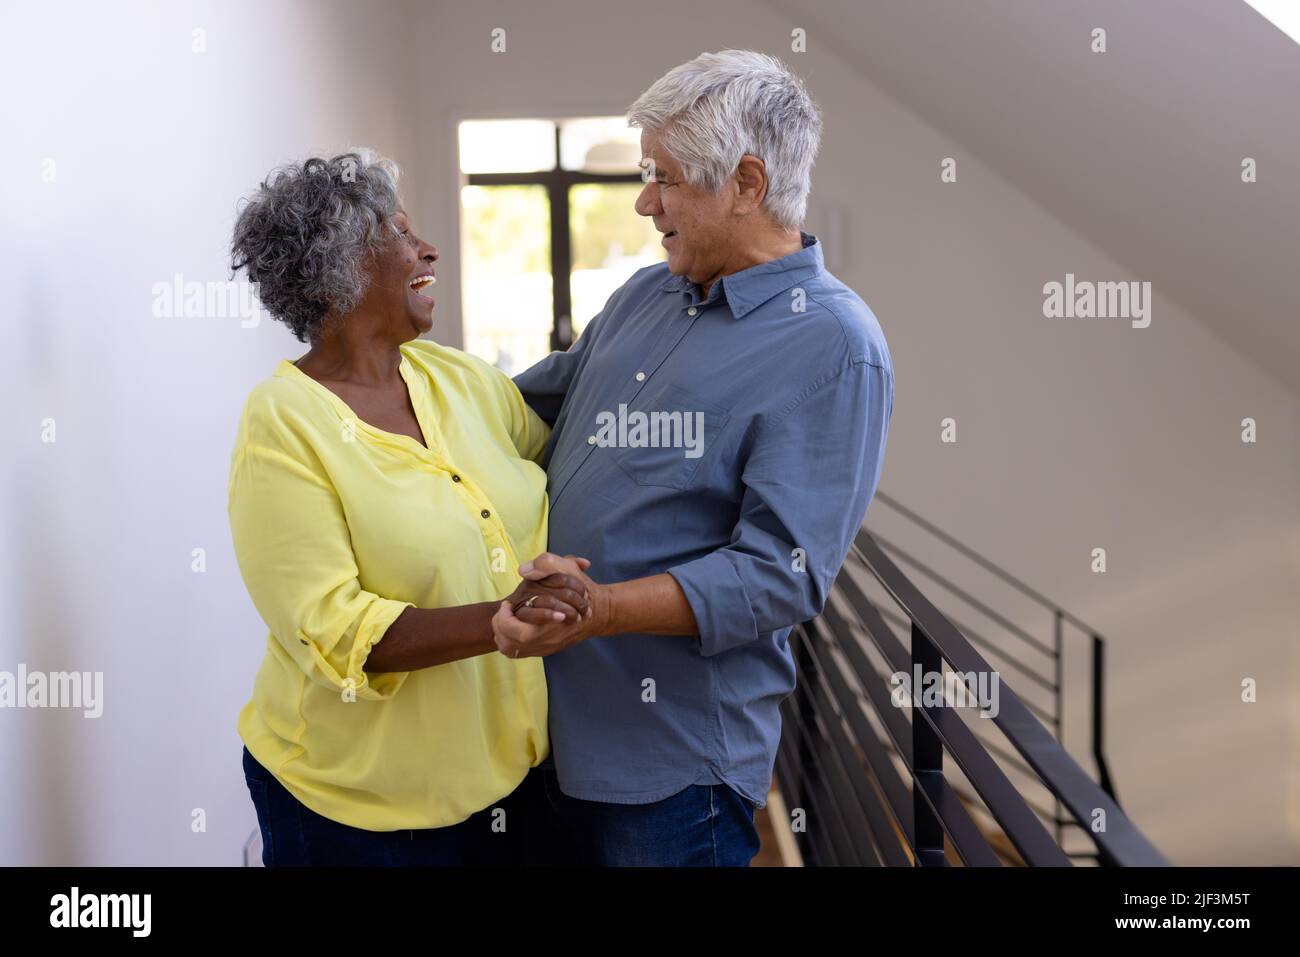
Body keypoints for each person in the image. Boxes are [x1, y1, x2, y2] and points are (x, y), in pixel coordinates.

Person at [492, 50, 895, 867]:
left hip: (673, 774)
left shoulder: (835, 345)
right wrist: (387, 381)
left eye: (666, 178)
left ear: (746, 184)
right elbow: (526, 410)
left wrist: (599, 608)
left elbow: (781, 571)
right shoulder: (648, 293)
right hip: (547, 739)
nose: (645, 202)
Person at [227, 150, 589, 866]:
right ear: (340, 269)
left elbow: (563, 467)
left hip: (508, 786)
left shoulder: (459, 378)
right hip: (356, 816)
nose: (426, 248)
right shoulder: (282, 424)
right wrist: (500, 620)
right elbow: (335, 630)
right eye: (396, 233)